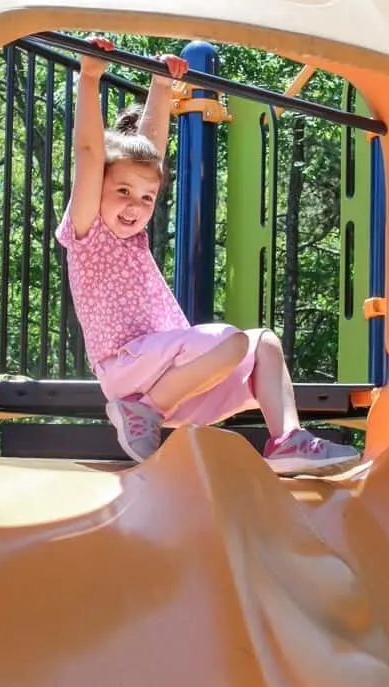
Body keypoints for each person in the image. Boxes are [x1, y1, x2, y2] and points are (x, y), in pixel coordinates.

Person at [55, 36, 359, 475]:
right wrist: (88, 78)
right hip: (127, 371)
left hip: (175, 384)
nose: (135, 205)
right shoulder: (87, 232)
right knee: (231, 340)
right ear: (95, 188)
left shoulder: (133, 236)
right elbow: (88, 153)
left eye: (146, 197)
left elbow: (151, 152)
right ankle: (143, 411)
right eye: (122, 192)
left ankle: (287, 438)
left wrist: (162, 87)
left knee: (262, 344)